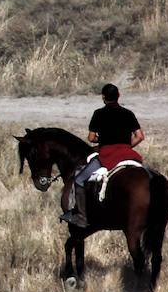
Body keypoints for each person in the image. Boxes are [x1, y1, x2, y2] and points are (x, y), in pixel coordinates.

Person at [62, 83, 145, 227]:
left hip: (107, 155)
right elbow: (140, 136)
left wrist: (105, 141)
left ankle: (82, 217)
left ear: (103, 98)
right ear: (119, 96)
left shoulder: (98, 114)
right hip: (128, 153)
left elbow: (91, 138)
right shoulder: (128, 113)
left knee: (80, 180)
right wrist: (124, 146)